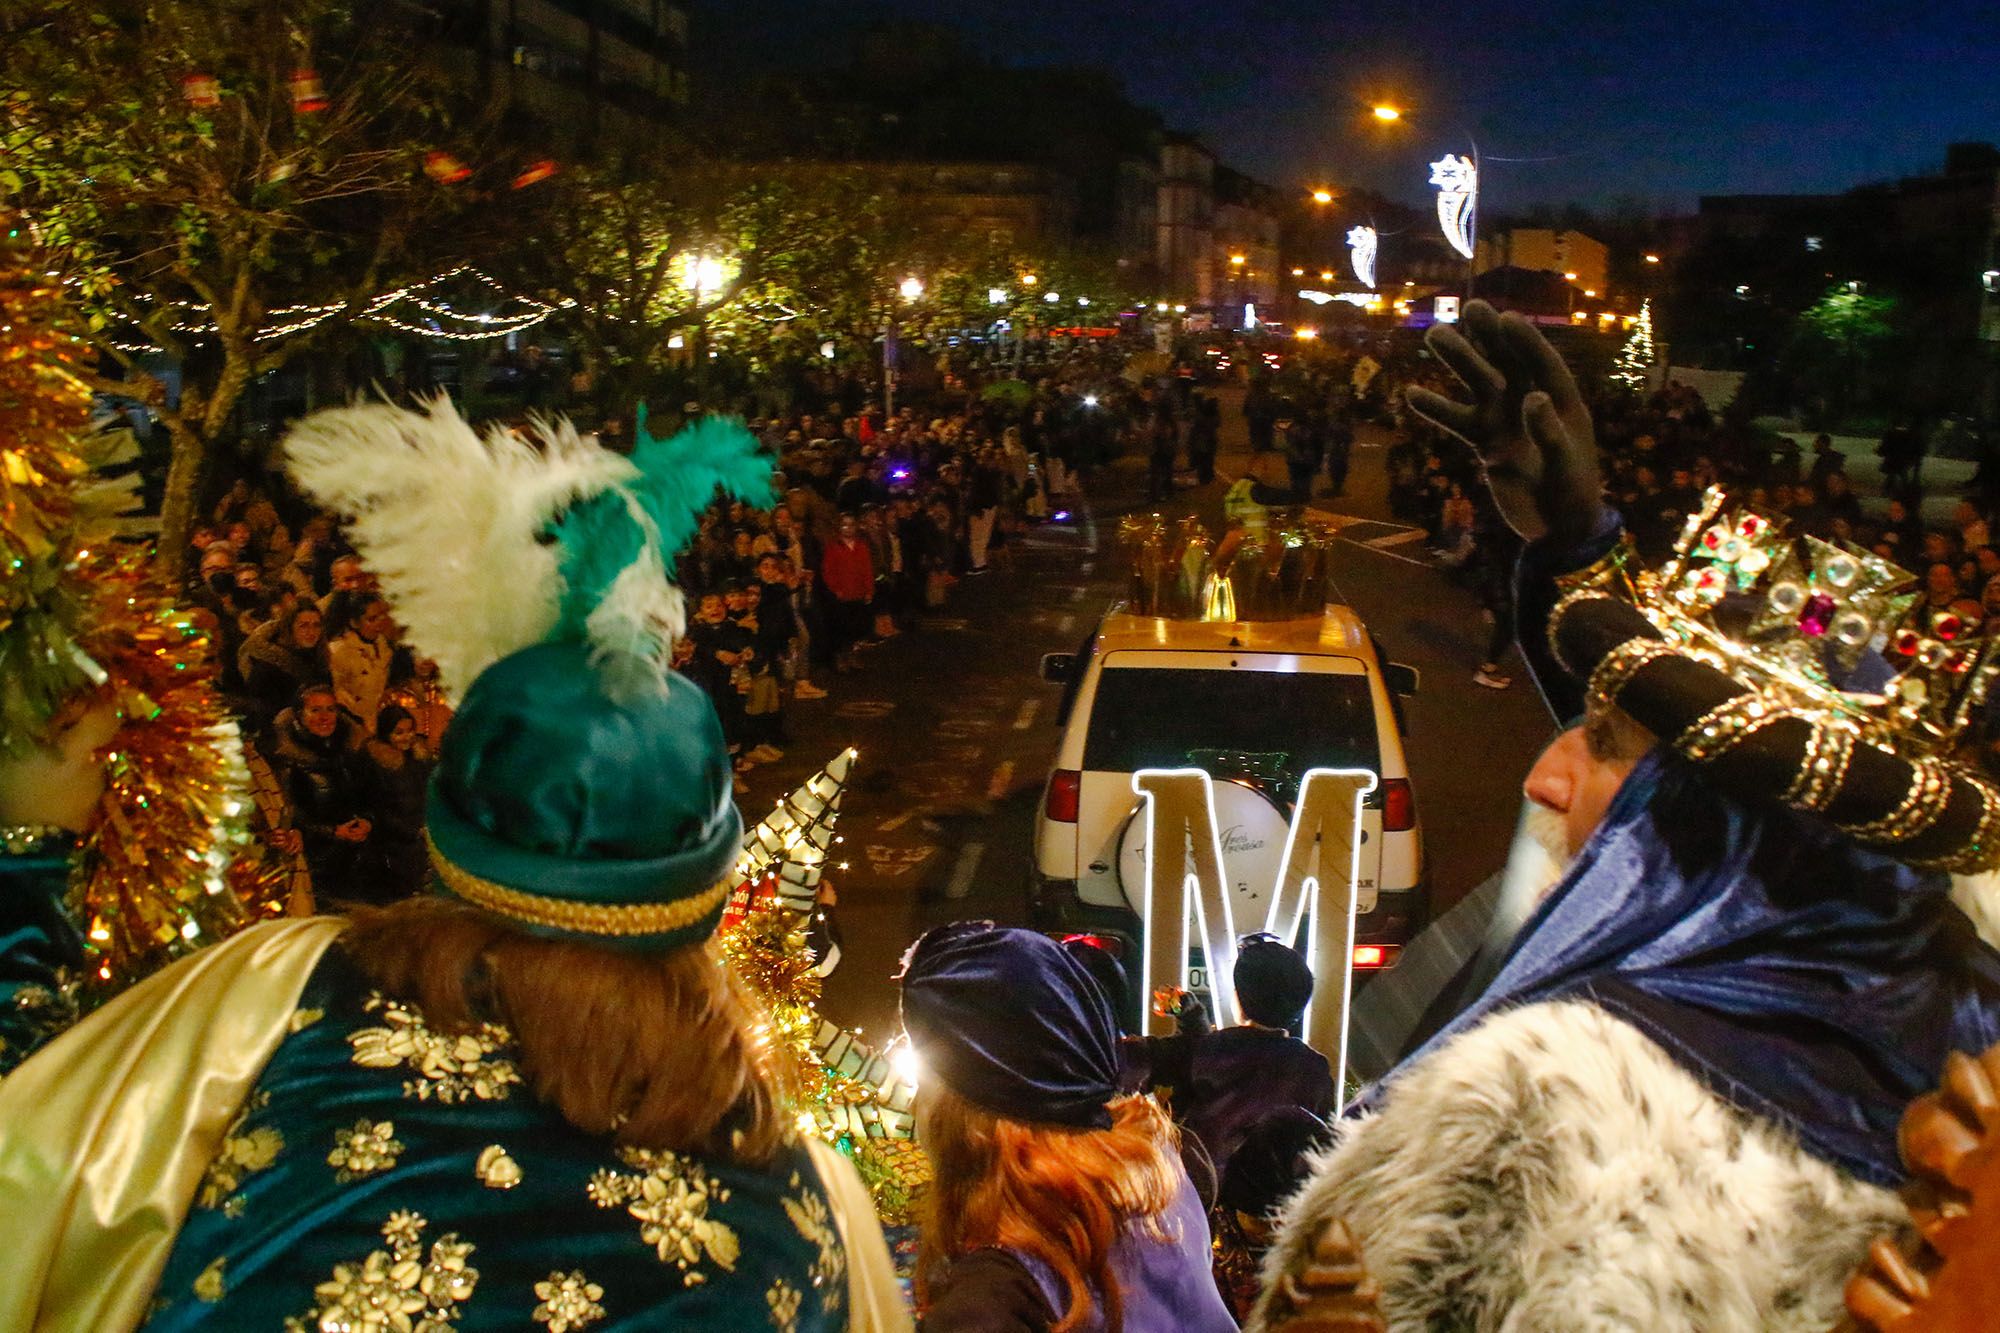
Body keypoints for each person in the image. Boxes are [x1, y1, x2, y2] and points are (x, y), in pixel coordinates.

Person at [0, 398, 904, 1333]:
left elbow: (31, 1168)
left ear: (448, 832)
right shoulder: (813, 1208)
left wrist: (31, 832)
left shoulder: (267, 994)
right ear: (711, 887)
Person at [1252, 302, 2000, 1333]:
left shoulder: (1523, 1129)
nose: (1542, 777)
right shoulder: (1957, 1037)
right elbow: (1689, 820)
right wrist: (1575, 541)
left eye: (1599, 742)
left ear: (1717, 843)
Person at [902, 922, 1238, 1333]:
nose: (916, 1102)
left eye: (925, 1081)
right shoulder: (1171, 1167)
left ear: (972, 1116)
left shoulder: (992, 1301)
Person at [1120, 934, 1335, 1184]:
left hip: (1205, 1198)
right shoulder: (1314, 1070)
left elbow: (1138, 1061)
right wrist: (1192, 1016)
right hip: (1279, 1205)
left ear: (1239, 998)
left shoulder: (1213, 1050)